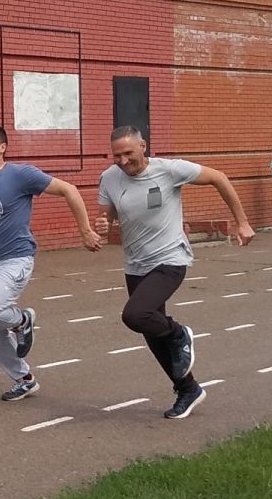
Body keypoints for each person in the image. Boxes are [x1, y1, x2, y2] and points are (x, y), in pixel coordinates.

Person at [95, 126, 253, 421]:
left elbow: (219, 178)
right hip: (136, 263)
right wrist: (103, 225)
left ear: (143, 146)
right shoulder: (109, 178)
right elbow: (107, 215)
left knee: (135, 315)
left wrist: (242, 222)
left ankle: (180, 333)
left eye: (128, 153)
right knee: (150, 331)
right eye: (116, 155)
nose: (122, 160)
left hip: (170, 258)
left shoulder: (170, 170)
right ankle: (187, 389)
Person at [0, 123, 101, 402]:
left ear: (2, 147)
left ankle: (22, 319)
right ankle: (24, 379)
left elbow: (70, 190)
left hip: (16, 259)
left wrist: (85, 230)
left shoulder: (20, 174)